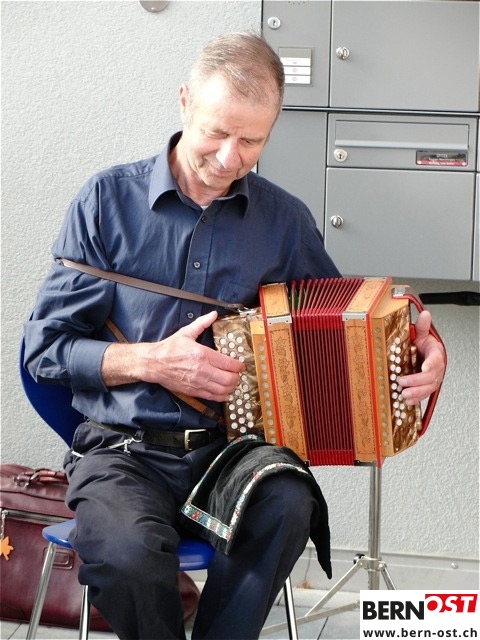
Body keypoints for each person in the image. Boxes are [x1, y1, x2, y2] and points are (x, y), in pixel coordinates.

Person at [23, 32, 446, 640]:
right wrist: (152, 362)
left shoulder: (284, 220)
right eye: (216, 133)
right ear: (184, 102)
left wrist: (421, 348)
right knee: (126, 554)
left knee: (290, 504)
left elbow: (352, 326)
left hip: (232, 451)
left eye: (252, 141)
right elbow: (47, 350)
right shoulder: (105, 201)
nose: (229, 158)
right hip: (122, 450)